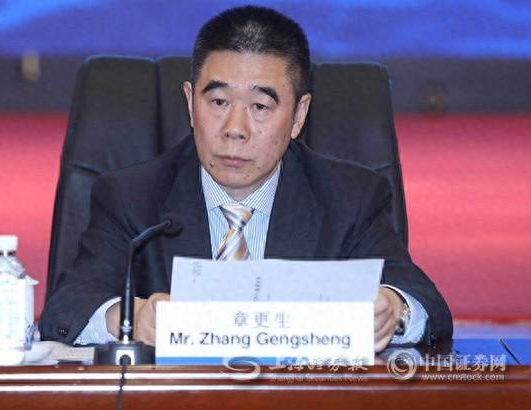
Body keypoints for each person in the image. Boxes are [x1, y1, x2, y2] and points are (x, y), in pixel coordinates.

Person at [40, 5, 452, 352]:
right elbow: (65, 309)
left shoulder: (350, 198)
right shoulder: (131, 197)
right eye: (218, 101)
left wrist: (392, 310)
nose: (235, 129)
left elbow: (427, 306)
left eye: (260, 107)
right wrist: (130, 318)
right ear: (190, 102)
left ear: (299, 115)